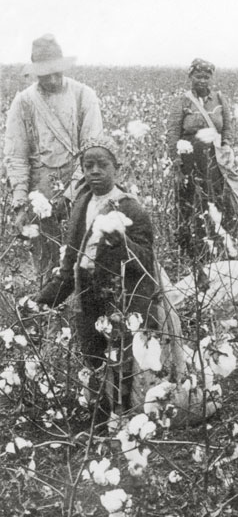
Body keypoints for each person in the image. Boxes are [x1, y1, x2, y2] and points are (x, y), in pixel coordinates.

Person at [34, 136, 162, 418]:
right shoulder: (81, 204)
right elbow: (72, 257)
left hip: (121, 296)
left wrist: (122, 245)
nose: (94, 171)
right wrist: (47, 297)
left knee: (121, 360)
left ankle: (124, 416)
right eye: (87, 165)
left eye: (101, 165)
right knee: (92, 354)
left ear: (117, 168)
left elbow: (146, 260)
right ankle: (100, 416)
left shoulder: (130, 207)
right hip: (88, 293)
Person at [3, 34, 103, 281]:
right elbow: (16, 157)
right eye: (45, 74)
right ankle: (48, 314)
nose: (53, 79)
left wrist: (70, 195)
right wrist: (20, 203)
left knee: (86, 256)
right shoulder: (24, 102)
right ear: (36, 72)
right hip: (40, 193)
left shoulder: (84, 96)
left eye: (57, 72)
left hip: (81, 186)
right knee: (46, 261)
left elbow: (93, 151)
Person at [166, 58, 238, 289]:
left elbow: (227, 127)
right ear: (190, 78)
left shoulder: (219, 100)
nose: (202, 80)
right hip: (190, 163)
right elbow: (172, 134)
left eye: (206, 76)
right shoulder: (182, 102)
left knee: (222, 203)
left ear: (212, 78)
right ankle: (198, 256)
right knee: (192, 207)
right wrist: (177, 165)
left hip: (216, 164)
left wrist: (225, 147)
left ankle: (231, 250)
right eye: (198, 76)